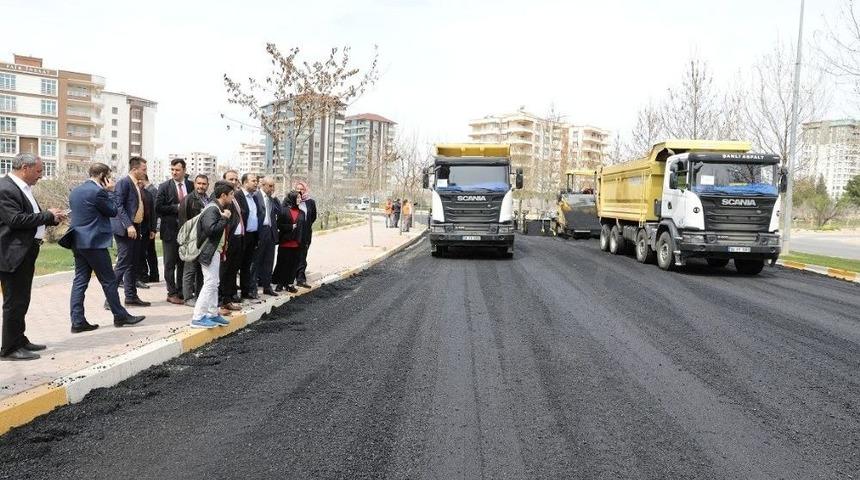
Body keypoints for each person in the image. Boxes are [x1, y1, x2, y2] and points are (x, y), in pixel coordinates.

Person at [0, 153, 65, 361]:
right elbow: (15, 219)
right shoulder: (5, 188)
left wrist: (52, 218)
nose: (41, 175)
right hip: (12, 253)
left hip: (26, 251)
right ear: (25, 168)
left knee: (22, 299)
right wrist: (47, 215)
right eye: (39, 171)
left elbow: (30, 218)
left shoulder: (23, 188)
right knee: (14, 301)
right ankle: (9, 348)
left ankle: (19, 339)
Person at [67, 163, 145, 334]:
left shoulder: (76, 191)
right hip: (94, 243)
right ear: (102, 175)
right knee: (109, 280)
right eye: (109, 175)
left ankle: (77, 321)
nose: (111, 179)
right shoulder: (98, 192)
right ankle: (120, 316)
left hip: (78, 242)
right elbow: (112, 211)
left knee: (80, 281)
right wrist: (110, 191)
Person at [190, 180, 234, 329]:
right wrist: (225, 218)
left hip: (215, 251)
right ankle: (198, 317)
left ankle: (212, 313)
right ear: (223, 195)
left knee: (215, 283)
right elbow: (211, 230)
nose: (232, 198)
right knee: (210, 283)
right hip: (208, 251)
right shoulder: (212, 209)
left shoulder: (217, 208)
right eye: (231, 195)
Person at [110, 156, 151, 308]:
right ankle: (110, 299)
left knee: (133, 263)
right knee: (123, 263)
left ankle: (131, 296)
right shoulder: (124, 183)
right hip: (126, 229)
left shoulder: (136, 185)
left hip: (136, 227)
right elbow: (118, 205)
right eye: (143, 169)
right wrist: (128, 225)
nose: (145, 172)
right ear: (135, 169)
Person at [156, 158, 194, 305]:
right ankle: (171, 293)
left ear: (184, 170)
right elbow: (158, 207)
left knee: (183, 262)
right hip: (170, 231)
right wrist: (176, 207)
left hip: (187, 232)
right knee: (170, 263)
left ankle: (180, 291)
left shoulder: (191, 186)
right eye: (172, 170)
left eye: (177, 170)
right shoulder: (164, 186)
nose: (174, 172)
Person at [179, 174, 210, 307]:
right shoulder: (188, 200)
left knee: (200, 270)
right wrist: (186, 241)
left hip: (204, 240)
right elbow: (183, 222)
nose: (201, 186)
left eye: (203, 184)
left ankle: (199, 296)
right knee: (189, 270)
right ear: (195, 184)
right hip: (192, 240)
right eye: (199, 183)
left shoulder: (208, 200)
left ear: (207, 185)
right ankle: (187, 298)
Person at [218, 170, 243, 315]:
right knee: (224, 272)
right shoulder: (222, 199)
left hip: (237, 240)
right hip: (226, 241)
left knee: (232, 271)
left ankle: (227, 300)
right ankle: (221, 301)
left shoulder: (234, 198)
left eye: (235, 179)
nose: (234, 182)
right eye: (230, 179)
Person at [274, 191, 305, 294]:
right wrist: (290, 227)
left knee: (293, 265)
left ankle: (289, 284)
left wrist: (302, 241)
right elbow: (278, 225)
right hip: (285, 242)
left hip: (297, 243)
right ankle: (280, 283)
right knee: (283, 264)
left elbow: (302, 228)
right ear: (292, 199)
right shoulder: (284, 211)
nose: (299, 200)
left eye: (300, 198)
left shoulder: (302, 213)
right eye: (297, 198)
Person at [236, 173, 261, 300]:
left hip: (252, 235)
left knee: (247, 265)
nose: (256, 183)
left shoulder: (255, 197)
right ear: (245, 183)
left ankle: (246, 291)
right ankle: (232, 293)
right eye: (253, 181)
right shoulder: (238, 196)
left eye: (256, 181)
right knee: (236, 265)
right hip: (241, 236)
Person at [255, 176, 280, 296]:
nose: (272, 188)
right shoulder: (256, 197)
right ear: (263, 185)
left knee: (269, 261)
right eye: (270, 186)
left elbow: (279, 212)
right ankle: (252, 287)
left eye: (273, 186)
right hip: (259, 232)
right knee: (256, 261)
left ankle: (267, 286)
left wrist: (275, 199)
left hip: (270, 231)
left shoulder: (272, 199)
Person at [136, 174, 157, 290]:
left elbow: (153, 213)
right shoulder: (132, 193)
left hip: (146, 228)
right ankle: (138, 276)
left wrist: (153, 229)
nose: (140, 183)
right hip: (134, 228)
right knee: (137, 254)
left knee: (144, 253)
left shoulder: (148, 194)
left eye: (141, 181)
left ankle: (143, 276)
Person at [294, 181, 316, 289]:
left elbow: (313, 217)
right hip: (293, 235)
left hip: (306, 234)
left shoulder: (310, 202)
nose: (299, 191)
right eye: (297, 189)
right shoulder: (292, 201)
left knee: (303, 256)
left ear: (305, 189)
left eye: (301, 189)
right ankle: (290, 278)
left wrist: (305, 226)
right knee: (293, 256)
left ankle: (300, 279)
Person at [141, 174, 159, 283]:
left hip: (148, 227)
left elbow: (153, 211)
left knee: (148, 252)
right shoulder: (152, 190)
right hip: (149, 226)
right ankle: (154, 274)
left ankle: (149, 275)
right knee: (150, 252)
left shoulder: (151, 191)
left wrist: (153, 228)